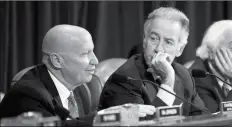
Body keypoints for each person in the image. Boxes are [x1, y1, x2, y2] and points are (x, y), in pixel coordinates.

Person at [0, 25, 156, 126]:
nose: (95, 60)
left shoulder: (83, 89)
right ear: (57, 60)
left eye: (93, 51)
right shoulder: (28, 93)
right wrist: (103, 118)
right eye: (85, 54)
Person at [98, 7, 209, 116]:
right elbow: (146, 124)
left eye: (168, 42)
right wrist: (168, 82)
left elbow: (203, 119)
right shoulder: (125, 79)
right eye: (154, 38)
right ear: (144, 40)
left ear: (180, 49)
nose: (159, 49)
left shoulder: (184, 76)